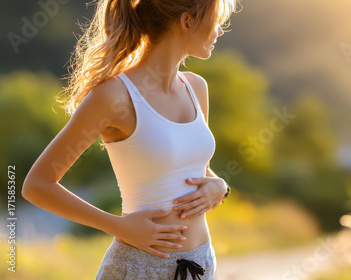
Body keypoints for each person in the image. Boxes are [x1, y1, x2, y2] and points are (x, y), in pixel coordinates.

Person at [22, 0, 237, 279]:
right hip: (138, 268)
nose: (219, 31)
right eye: (215, 20)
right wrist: (118, 226)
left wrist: (220, 186)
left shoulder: (196, 87)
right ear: (187, 21)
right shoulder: (114, 97)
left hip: (200, 262)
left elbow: (189, 170)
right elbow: (37, 185)